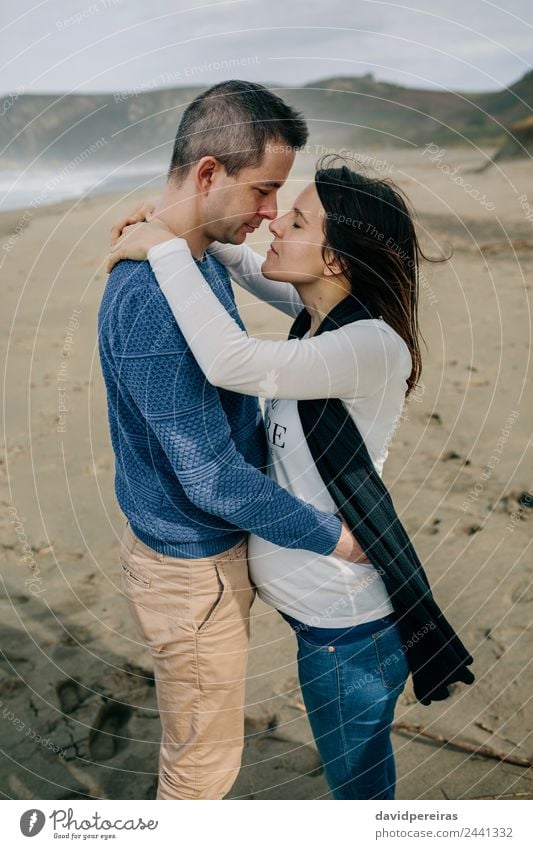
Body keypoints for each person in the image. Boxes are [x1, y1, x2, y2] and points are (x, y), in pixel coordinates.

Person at [107, 159, 429, 800]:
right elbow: (253, 265)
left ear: (335, 260)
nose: (275, 221)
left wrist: (167, 249)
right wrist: (184, 224)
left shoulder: (366, 345)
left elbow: (232, 360)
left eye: (298, 219)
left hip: (346, 632)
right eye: (275, 204)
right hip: (320, 618)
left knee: (362, 799)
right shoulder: (322, 311)